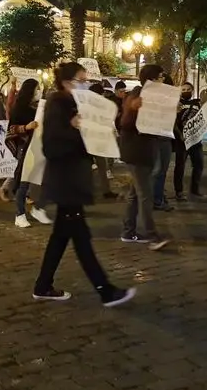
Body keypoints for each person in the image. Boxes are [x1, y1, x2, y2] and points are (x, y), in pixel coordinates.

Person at [32, 62, 137, 307]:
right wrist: (76, 129)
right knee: (80, 238)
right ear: (68, 82)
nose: (85, 83)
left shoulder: (76, 103)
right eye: (81, 79)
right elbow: (51, 146)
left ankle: (43, 285)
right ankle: (106, 291)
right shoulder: (58, 104)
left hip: (72, 181)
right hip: (65, 181)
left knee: (61, 236)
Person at [119, 64, 170, 249]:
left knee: (135, 194)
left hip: (144, 151)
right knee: (145, 195)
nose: (162, 80)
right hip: (136, 152)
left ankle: (128, 231)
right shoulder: (137, 94)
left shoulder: (154, 97)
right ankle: (152, 236)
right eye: (160, 76)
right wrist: (133, 108)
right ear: (151, 78)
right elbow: (125, 122)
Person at [6, 79, 52, 227]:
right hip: (25, 147)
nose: (37, 91)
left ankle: (38, 208)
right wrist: (26, 127)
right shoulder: (19, 108)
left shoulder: (35, 108)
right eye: (36, 89)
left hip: (38, 146)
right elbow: (11, 129)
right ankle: (19, 214)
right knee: (24, 182)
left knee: (44, 180)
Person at [173, 82, 207, 200]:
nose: (186, 91)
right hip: (181, 140)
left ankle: (195, 190)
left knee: (199, 164)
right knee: (180, 166)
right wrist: (179, 135)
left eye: (188, 89)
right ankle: (179, 191)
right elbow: (173, 122)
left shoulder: (197, 103)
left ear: (192, 91)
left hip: (196, 140)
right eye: (183, 89)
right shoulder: (176, 103)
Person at [150, 75, 175, 211]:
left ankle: (158, 197)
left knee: (162, 171)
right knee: (158, 171)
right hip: (156, 139)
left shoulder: (169, 100)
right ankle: (156, 200)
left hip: (166, 137)